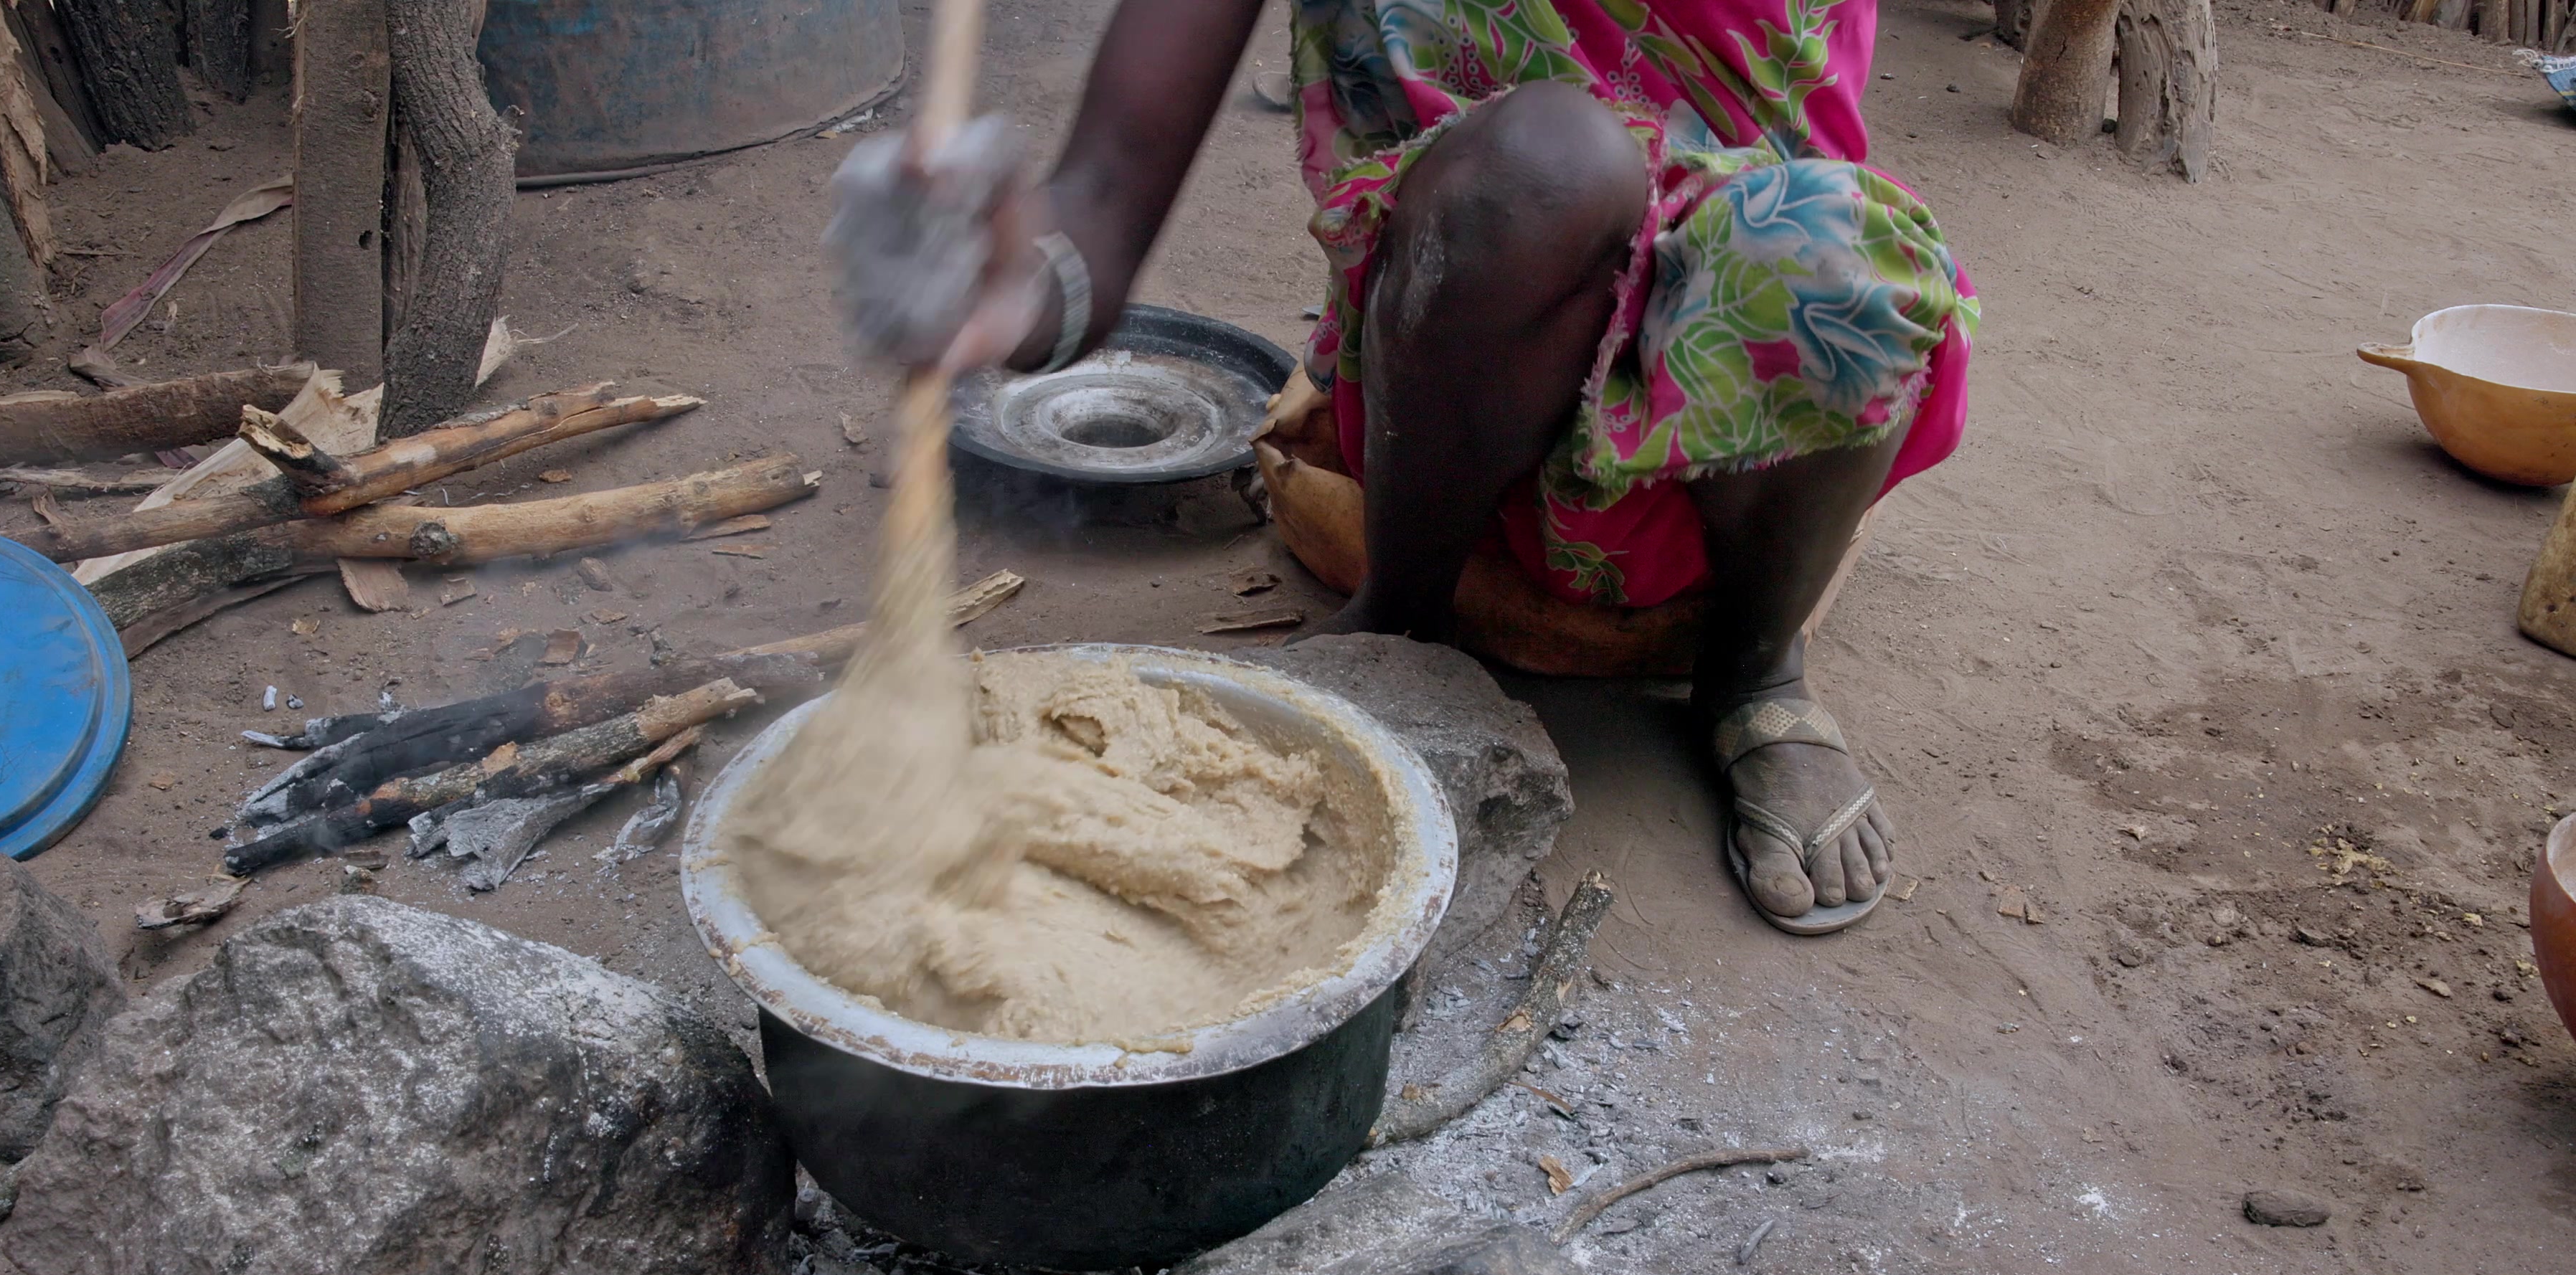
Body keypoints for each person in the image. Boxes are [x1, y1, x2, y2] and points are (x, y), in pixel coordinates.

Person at [829, 0, 1976, 934]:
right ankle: (1399, 624)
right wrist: (1011, 285)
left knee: (1831, 253)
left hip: (1745, 443)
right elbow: (1108, 194)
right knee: (1545, 163)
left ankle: (1757, 676)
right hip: (1449, 401)